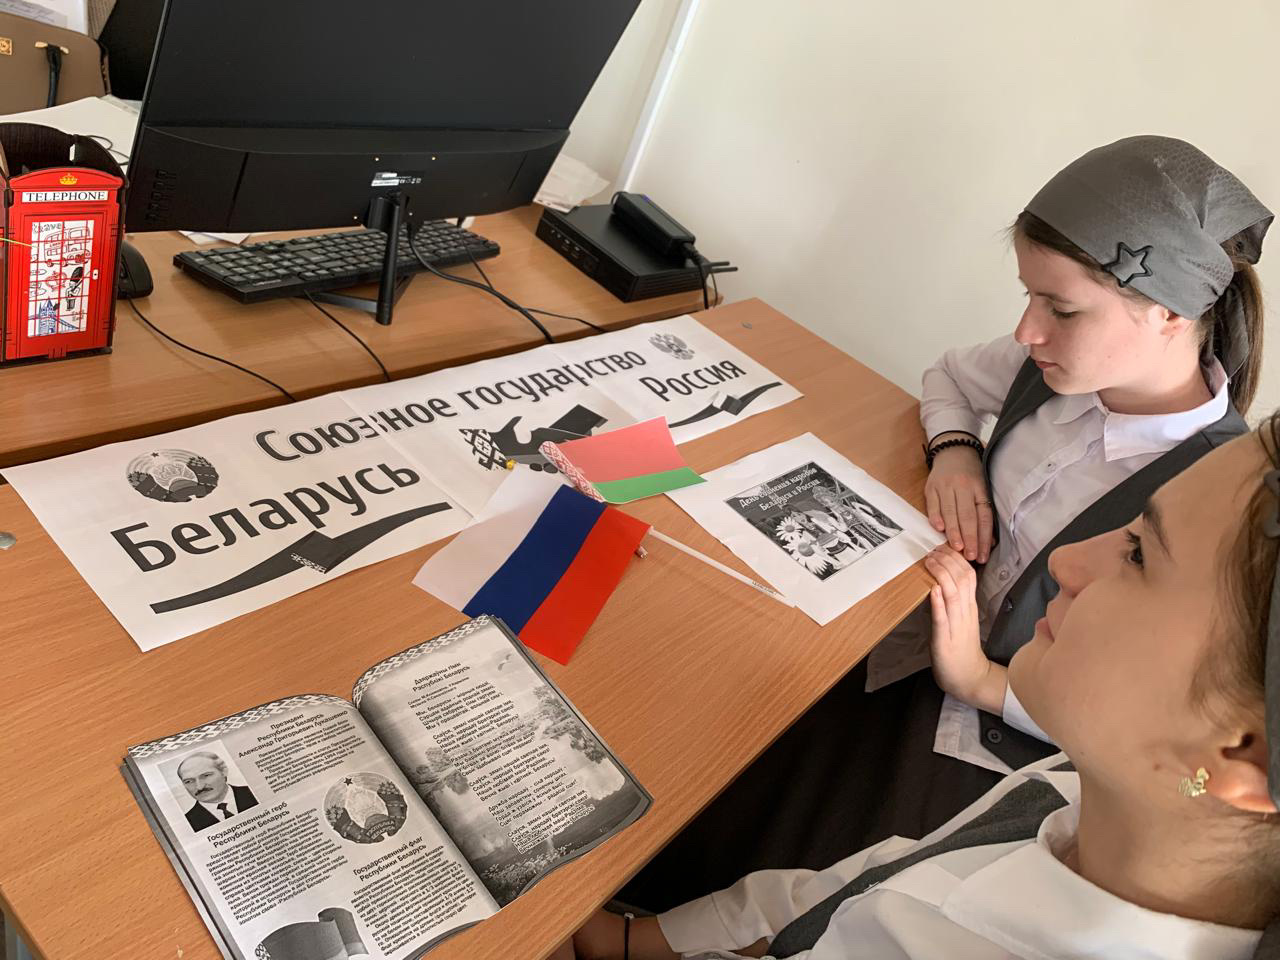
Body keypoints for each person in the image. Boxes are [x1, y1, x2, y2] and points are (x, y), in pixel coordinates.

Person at [618, 135, 1271, 911]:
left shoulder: (1209, 501)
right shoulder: (1050, 370)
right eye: (1029, 297)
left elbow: (1156, 722)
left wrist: (981, 681)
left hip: (998, 734)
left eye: (1061, 309)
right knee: (709, 744)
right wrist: (955, 452)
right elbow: (949, 378)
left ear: (1168, 312)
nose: (1028, 330)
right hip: (903, 635)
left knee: (800, 868)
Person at [561, 410, 1280, 960]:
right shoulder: (1072, 789)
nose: (1065, 560)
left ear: (1242, 750)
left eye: (1138, 555)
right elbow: (862, 882)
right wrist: (637, 942)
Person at [178, 751, 258, 833]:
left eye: (206, 775)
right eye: (189, 781)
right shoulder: (188, 823)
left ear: (223, 771)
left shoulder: (254, 791)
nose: (199, 787)